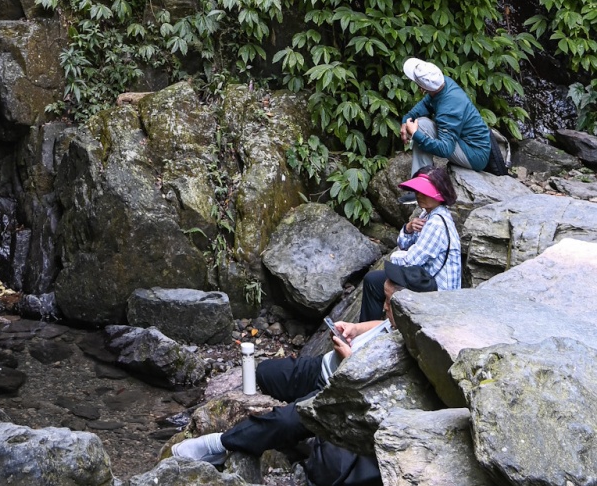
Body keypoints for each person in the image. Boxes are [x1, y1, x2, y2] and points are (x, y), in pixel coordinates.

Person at [173, 273, 410, 465]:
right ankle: (302, 431)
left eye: (388, 302)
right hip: (322, 368)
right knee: (267, 371)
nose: (383, 307)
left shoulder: (411, 346)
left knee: (285, 421)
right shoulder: (394, 319)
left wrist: (349, 359)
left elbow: (372, 391)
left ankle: (217, 445)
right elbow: (382, 324)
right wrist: (355, 328)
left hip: (339, 393)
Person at [358, 166, 461, 320]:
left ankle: (367, 332)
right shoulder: (428, 214)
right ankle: (369, 330)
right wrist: (408, 228)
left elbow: (410, 261)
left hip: (439, 292)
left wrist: (393, 258)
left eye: (424, 191)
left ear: (438, 194)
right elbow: (403, 244)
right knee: (373, 280)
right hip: (425, 279)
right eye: (417, 191)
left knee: (375, 283)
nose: (418, 195)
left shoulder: (437, 224)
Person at [399, 56, 492, 175]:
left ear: (422, 88)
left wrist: (416, 135)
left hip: (475, 155)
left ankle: (421, 183)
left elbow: (445, 149)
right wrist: (405, 121)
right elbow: (420, 109)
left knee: (421, 127)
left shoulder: (448, 108)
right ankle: (422, 181)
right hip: (465, 142)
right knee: (422, 124)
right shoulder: (442, 84)